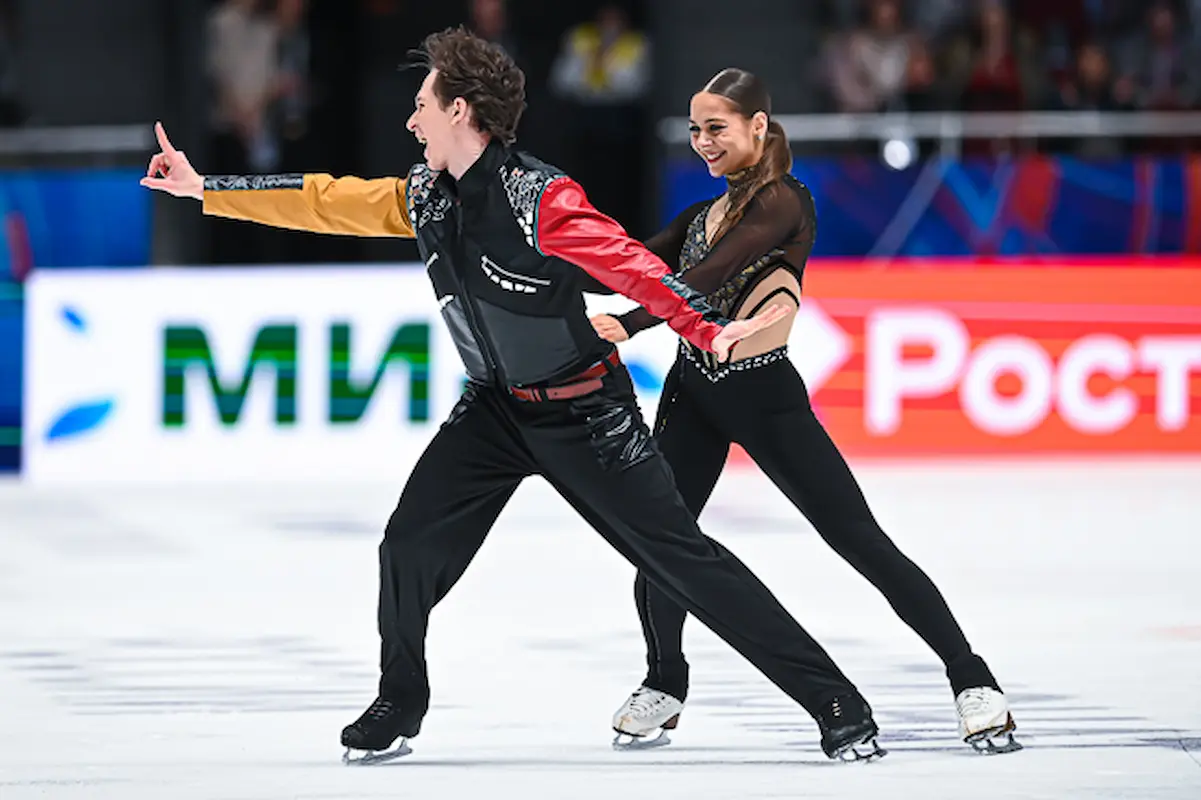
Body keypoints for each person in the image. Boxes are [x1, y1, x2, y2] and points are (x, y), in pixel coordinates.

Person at [141, 28, 887, 764]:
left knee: (684, 562)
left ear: (461, 111)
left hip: (584, 411)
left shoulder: (541, 198)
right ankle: (400, 699)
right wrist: (206, 187)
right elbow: (326, 200)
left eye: (422, 105)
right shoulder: (426, 196)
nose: (410, 120)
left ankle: (834, 702)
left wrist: (707, 326)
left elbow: (633, 267)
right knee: (406, 545)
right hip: (493, 410)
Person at [591, 67, 1021, 756]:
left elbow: (705, 276)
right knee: (659, 539)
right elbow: (635, 257)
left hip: (764, 396)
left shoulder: (785, 202)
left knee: (857, 538)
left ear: (757, 127)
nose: (702, 141)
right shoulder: (701, 215)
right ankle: (665, 681)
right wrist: (549, 251)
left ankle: (971, 678)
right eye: (696, 129)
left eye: (717, 128)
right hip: (692, 391)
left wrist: (634, 321)